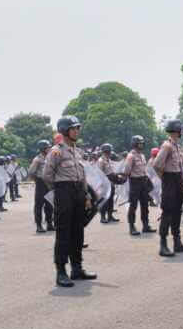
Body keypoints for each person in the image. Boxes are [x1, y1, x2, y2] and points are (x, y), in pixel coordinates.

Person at [42, 116, 96, 287]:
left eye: (77, 128)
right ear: (65, 130)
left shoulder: (78, 151)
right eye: (74, 128)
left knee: (78, 232)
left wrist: (86, 195)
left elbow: (83, 175)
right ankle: (61, 271)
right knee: (63, 234)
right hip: (64, 193)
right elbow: (47, 176)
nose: (77, 131)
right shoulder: (56, 151)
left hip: (79, 192)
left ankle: (77, 268)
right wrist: (58, 192)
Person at [152, 119, 183, 257]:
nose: (182, 131)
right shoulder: (167, 145)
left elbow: (179, 168)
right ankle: (163, 245)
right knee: (167, 213)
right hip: (169, 181)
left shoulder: (175, 145)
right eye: (180, 129)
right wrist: (164, 179)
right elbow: (157, 164)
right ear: (176, 130)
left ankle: (177, 243)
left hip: (177, 181)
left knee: (177, 212)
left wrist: (182, 184)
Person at [124, 135, 154, 236]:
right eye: (140, 143)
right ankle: (132, 226)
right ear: (135, 144)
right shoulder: (130, 156)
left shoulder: (142, 155)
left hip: (143, 182)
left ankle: (145, 225)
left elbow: (145, 169)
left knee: (145, 205)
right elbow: (127, 171)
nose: (142, 144)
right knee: (133, 205)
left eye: (142, 143)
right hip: (135, 182)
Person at [28, 140, 55, 233]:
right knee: (39, 205)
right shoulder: (37, 159)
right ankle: (39, 225)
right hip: (41, 184)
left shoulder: (50, 158)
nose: (49, 149)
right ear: (43, 149)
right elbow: (31, 172)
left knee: (49, 205)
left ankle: (49, 224)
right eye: (47, 147)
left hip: (49, 183)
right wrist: (37, 180)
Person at [97, 144, 120, 224]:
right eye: (109, 151)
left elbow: (111, 171)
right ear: (106, 151)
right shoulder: (101, 160)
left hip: (111, 181)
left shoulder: (108, 160)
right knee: (104, 200)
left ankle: (110, 216)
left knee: (111, 199)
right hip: (105, 182)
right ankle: (103, 217)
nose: (110, 153)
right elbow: (100, 173)